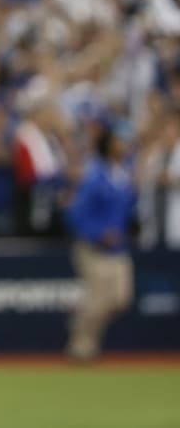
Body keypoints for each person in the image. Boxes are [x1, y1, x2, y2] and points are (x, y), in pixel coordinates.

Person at [64, 122, 137, 363]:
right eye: (119, 141)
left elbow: (127, 209)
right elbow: (76, 214)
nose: (124, 146)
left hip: (118, 247)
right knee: (97, 299)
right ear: (108, 145)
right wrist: (98, 233)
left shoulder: (123, 173)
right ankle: (81, 347)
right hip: (93, 248)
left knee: (120, 299)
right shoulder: (95, 175)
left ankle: (80, 323)